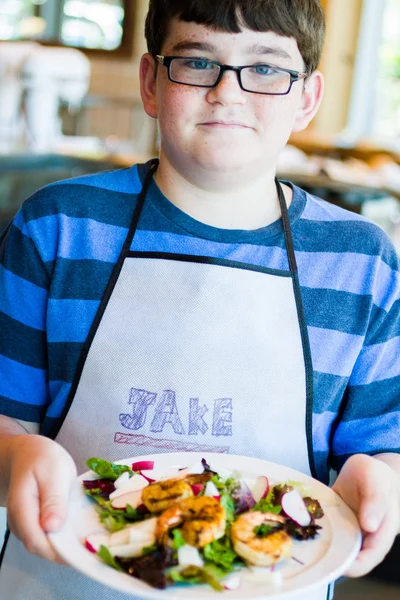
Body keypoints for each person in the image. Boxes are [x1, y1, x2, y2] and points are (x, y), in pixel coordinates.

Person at [0, 1, 399, 598]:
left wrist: (378, 475)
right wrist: (15, 457)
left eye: (266, 68)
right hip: (60, 580)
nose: (227, 93)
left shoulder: (361, 261)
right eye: (195, 61)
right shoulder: (59, 225)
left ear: (307, 97)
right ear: (151, 83)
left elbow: (380, 447)